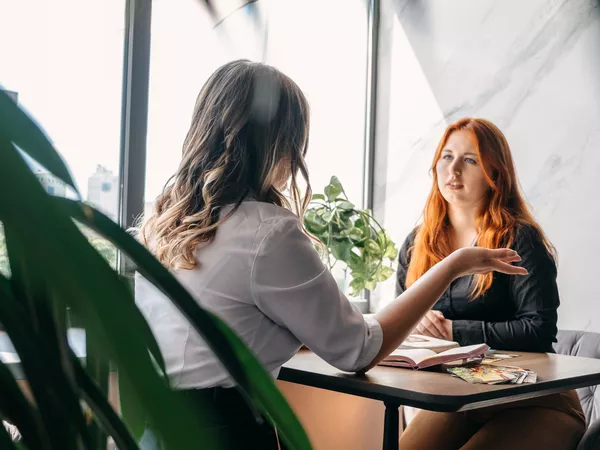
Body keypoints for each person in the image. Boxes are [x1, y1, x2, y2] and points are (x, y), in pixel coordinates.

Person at [134, 62, 526, 449]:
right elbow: (357, 349)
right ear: (277, 142)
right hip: (225, 432)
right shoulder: (268, 231)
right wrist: (453, 265)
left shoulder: (162, 223)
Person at [396, 118, 585, 450]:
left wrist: (454, 331)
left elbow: (538, 330)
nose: (453, 169)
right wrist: (413, 326)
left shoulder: (520, 239)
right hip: (459, 397)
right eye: (447, 156)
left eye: (470, 160)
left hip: (534, 399)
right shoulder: (416, 244)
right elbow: (400, 329)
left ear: (494, 174)